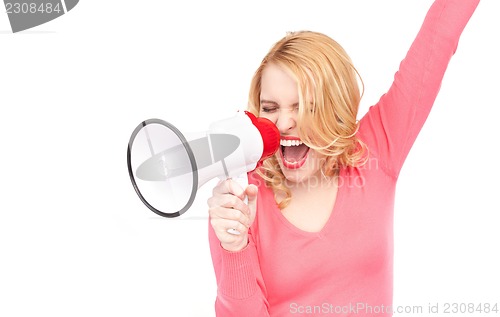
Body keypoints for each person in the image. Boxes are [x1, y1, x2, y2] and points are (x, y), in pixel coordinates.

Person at [207, 0, 480, 316]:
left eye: (305, 107)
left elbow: (438, 37)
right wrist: (234, 248)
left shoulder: (375, 149)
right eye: (270, 108)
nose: (282, 124)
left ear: (334, 107)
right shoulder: (240, 203)